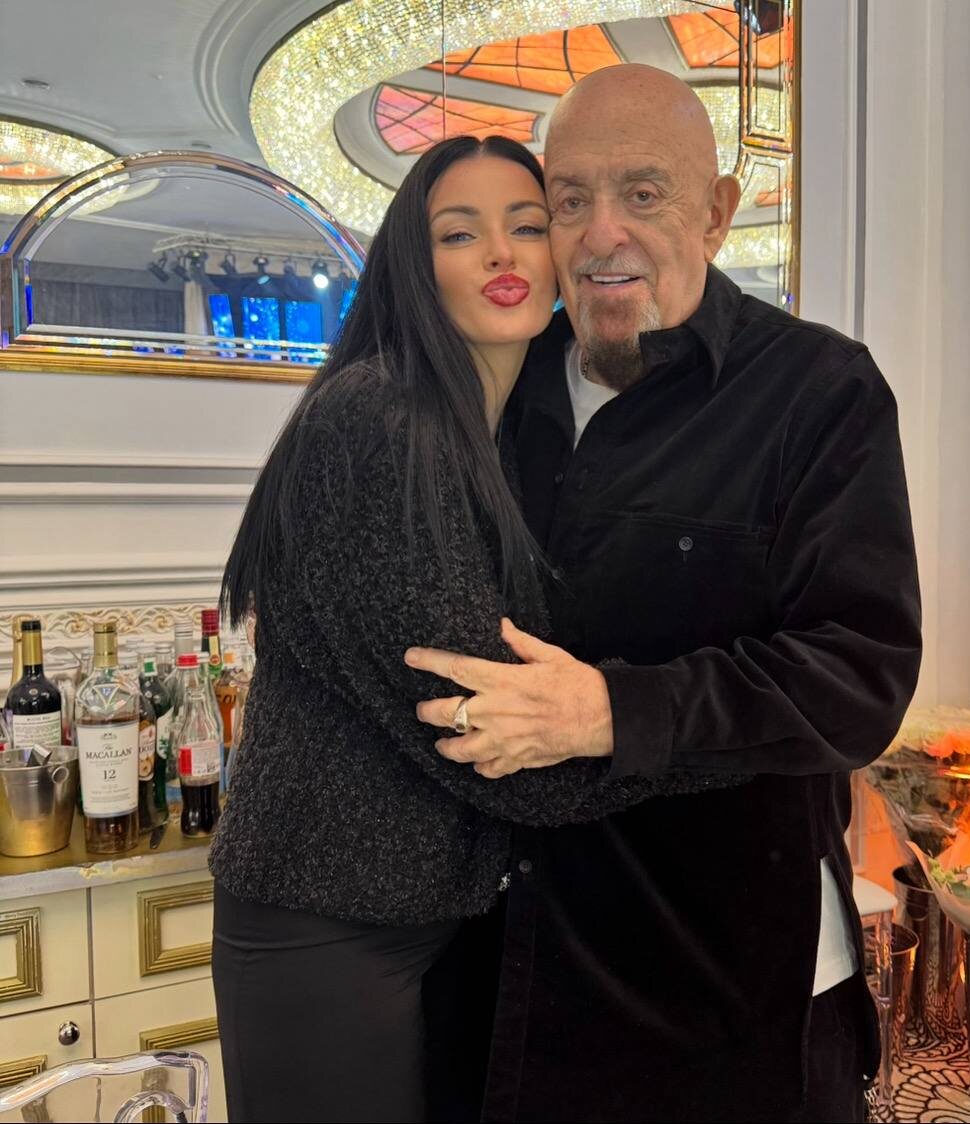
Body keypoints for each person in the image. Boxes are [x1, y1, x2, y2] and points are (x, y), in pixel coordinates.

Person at [407, 65, 923, 1123]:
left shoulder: (819, 392)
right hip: (508, 980)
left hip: (730, 1001)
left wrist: (610, 710)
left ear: (717, 212)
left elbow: (857, 677)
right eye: (570, 200)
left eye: (643, 194)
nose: (603, 234)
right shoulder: (487, 392)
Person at [208, 134, 749, 1124]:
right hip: (328, 925)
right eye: (459, 234)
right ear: (413, 269)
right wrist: (728, 738)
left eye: (527, 226)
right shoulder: (378, 420)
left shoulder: (488, 436)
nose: (501, 253)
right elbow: (483, 723)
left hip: (431, 919)